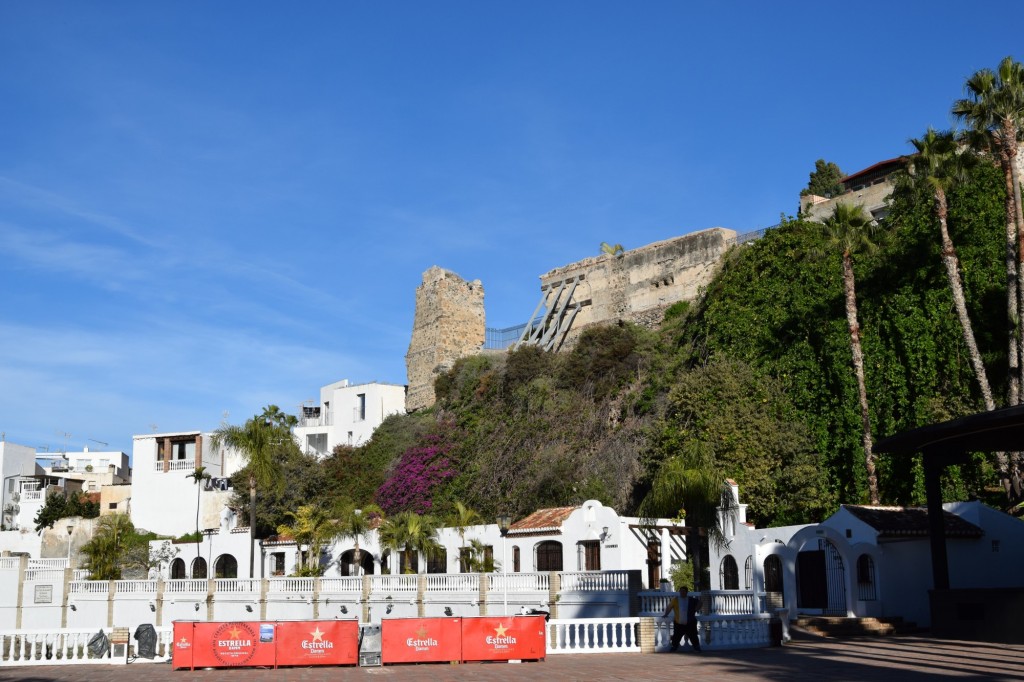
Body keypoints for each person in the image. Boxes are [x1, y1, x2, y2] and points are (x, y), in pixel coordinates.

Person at [661, 585, 702, 652]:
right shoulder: (675, 600)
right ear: (679, 592)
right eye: (681, 591)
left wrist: (696, 609)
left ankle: (697, 647)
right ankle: (674, 647)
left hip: (690, 622)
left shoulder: (691, 599)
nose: (682, 592)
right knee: (676, 636)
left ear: (686, 592)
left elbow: (700, 602)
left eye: (684, 591)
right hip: (678, 623)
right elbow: (669, 607)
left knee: (693, 636)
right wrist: (666, 614)